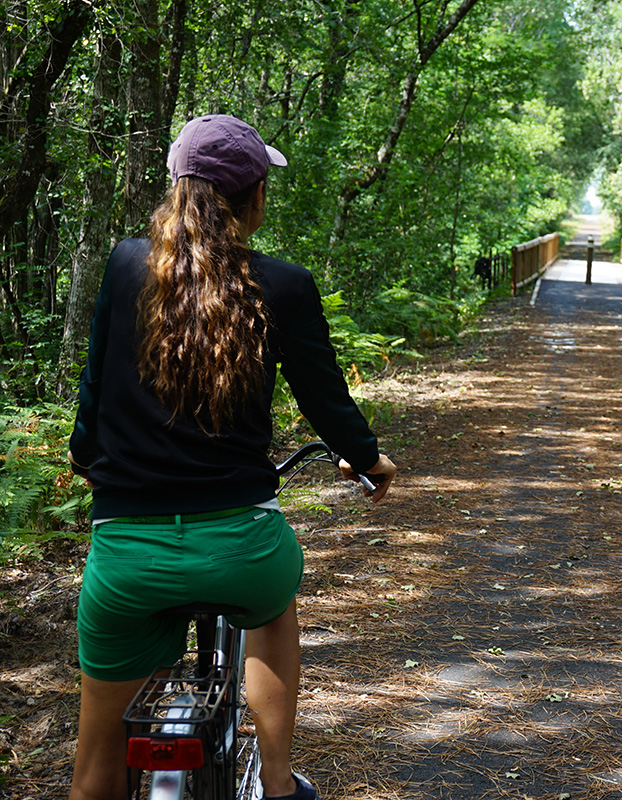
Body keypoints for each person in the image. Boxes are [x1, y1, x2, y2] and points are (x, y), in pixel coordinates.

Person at [66, 114, 398, 800]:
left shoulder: (126, 265)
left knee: (96, 768)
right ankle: (277, 782)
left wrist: (85, 457)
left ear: (175, 189)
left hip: (128, 556)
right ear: (255, 200)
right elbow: (326, 401)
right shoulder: (284, 285)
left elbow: (93, 394)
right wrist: (366, 459)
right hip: (242, 550)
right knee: (273, 608)